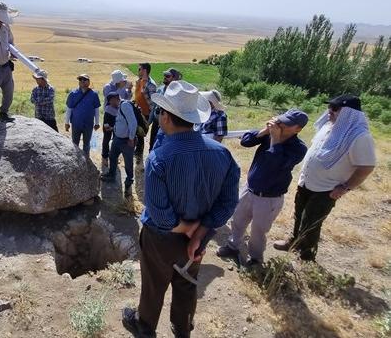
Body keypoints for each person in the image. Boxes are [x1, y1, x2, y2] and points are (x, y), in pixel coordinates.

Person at [122, 81, 240, 338]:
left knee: (154, 284)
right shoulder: (223, 155)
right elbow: (228, 202)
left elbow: (161, 216)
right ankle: (183, 328)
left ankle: (145, 327)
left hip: (160, 239)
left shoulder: (159, 159)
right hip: (196, 240)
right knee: (187, 283)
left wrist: (187, 228)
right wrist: (200, 232)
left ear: (165, 116)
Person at [274, 94, 376, 261]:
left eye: (335, 108)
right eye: (329, 107)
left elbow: (366, 167)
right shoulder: (329, 126)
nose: (330, 111)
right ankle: (294, 242)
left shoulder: (359, 136)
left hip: (326, 189)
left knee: (311, 223)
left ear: (348, 113)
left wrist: (345, 187)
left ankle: (307, 256)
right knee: (299, 215)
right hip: (307, 182)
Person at [216, 109, 309, 266]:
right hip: (249, 189)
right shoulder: (269, 135)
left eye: (287, 124)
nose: (282, 125)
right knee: (238, 220)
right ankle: (233, 246)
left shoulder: (298, 148)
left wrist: (275, 139)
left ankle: (255, 258)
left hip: (269, 198)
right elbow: (245, 141)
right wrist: (264, 131)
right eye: (281, 120)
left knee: (258, 231)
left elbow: (275, 162)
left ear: (298, 129)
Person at [100, 92, 137, 197]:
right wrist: (113, 129)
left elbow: (133, 123)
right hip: (118, 139)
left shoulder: (125, 105)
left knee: (128, 163)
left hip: (126, 141)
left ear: (115, 99)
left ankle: (129, 183)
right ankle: (112, 175)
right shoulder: (119, 107)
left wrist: (131, 138)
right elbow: (121, 123)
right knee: (112, 156)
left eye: (110, 101)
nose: (110, 104)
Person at [64, 74, 101, 156]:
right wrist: (66, 123)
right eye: (80, 80)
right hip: (76, 123)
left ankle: (86, 160)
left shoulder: (94, 94)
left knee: (87, 144)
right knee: (75, 143)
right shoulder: (73, 93)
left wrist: (97, 123)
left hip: (88, 124)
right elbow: (69, 109)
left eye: (84, 79)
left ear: (89, 81)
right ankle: (76, 160)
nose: (82, 81)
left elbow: (96, 110)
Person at [102, 70, 132, 167]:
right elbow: (111, 100)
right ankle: (105, 157)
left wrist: (129, 90)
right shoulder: (107, 87)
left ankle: (114, 156)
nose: (124, 82)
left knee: (117, 136)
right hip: (109, 115)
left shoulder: (122, 87)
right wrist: (120, 88)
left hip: (119, 115)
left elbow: (127, 99)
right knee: (107, 136)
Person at [149, 68, 181, 150]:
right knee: (152, 146)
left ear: (174, 78)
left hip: (168, 126)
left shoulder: (178, 93)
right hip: (156, 123)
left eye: (167, 76)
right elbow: (154, 107)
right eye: (164, 75)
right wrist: (149, 122)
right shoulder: (160, 89)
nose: (165, 77)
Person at [133, 62, 156, 160]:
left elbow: (153, 104)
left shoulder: (151, 85)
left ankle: (139, 153)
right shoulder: (140, 81)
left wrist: (149, 120)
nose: (138, 71)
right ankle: (138, 150)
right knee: (137, 131)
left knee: (140, 133)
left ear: (145, 70)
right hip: (138, 111)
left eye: (139, 69)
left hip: (145, 114)